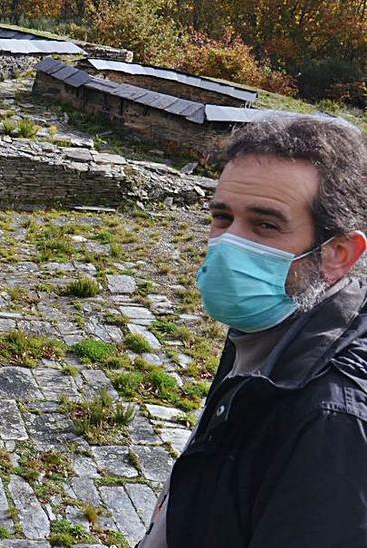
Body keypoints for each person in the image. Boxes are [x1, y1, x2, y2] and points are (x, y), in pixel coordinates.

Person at [140, 115, 367, 547]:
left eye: (265, 225)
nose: (228, 244)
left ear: (338, 254)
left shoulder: (334, 423)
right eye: (222, 217)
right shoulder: (269, 323)